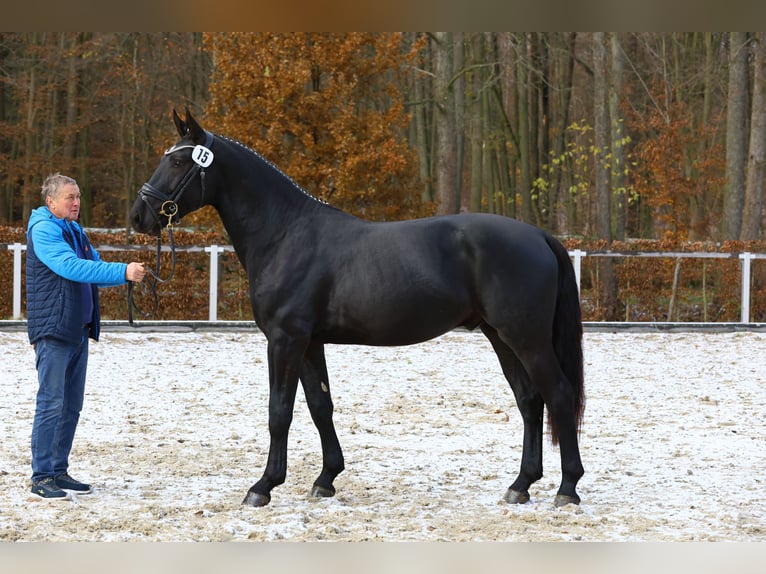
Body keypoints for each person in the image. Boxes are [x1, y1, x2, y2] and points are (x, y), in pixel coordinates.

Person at [26, 173, 147, 500]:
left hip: (76, 330)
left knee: (70, 406)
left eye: (78, 196)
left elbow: (94, 269)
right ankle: (41, 476)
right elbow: (72, 268)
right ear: (51, 202)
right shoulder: (45, 230)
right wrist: (123, 271)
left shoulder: (75, 231)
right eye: (69, 197)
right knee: (51, 403)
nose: (76, 202)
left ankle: (58, 470)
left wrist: (125, 275)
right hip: (53, 331)